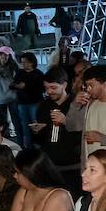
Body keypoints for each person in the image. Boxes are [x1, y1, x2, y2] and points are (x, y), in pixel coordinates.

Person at [65, 65, 106, 168]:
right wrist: (75, 105)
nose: (88, 89)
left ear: (105, 84)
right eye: (86, 85)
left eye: (91, 85)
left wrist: (102, 138)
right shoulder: (88, 104)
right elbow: (71, 126)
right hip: (90, 168)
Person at [33, 67, 84, 195]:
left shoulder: (76, 104)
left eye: (53, 87)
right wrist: (38, 131)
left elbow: (83, 132)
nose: (49, 91)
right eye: (46, 88)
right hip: (50, 165)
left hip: (73, 165)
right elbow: (39, 140)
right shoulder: (44, 106)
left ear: (64, 85)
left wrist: (66, 121)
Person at [11, 53, 45, 150]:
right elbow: (12, 84)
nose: (23, 64)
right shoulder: (20, 72)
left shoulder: (38, 73)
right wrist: (17, 86)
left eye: (25, 62)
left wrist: (26, 86)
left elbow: (42, 88)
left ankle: (39, 145)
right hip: (22, 103)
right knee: (25, 126)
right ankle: (28, 147)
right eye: (22, 62)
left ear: (32, 62)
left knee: (35, 124)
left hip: (35, 102)